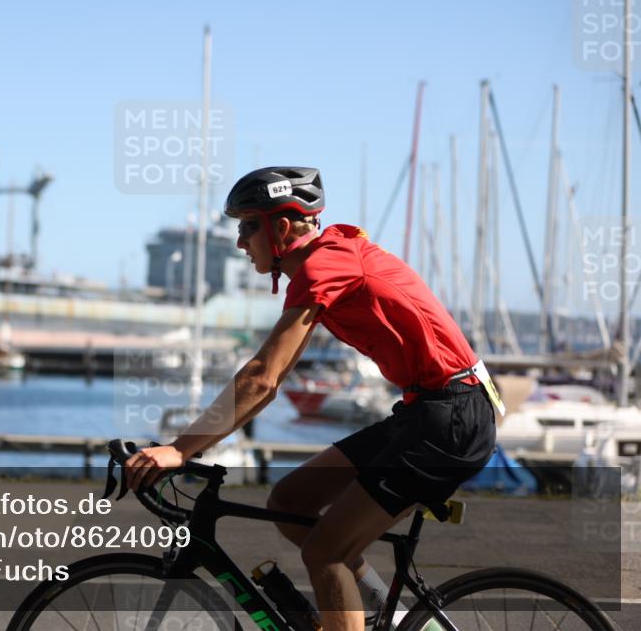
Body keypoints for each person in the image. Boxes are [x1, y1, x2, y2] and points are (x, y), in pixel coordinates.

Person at [124, 166, 500, 631]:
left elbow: (263, 377)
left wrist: (180, 450)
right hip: (428, 411)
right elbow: (271, 379)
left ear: (281, 227)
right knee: (290, 501)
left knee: (325, 553)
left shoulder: (327, 264)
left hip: (450, 417)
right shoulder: (327, 261)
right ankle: (385, 616)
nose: (240, 242)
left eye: (247, 227)